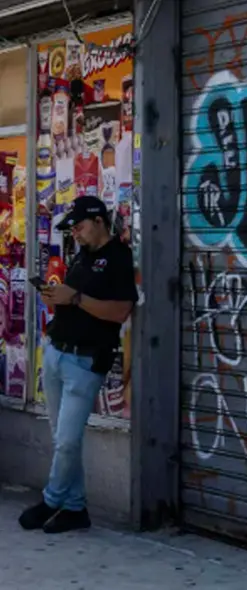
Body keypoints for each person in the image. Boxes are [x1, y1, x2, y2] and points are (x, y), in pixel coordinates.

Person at [18, 195, 137, 534]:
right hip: (56, 352)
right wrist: (57, 298)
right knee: (63, 440)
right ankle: (75, 508)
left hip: (85, 361)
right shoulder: (82, 255)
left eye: (80, 226)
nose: (76, 233)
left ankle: (52, 500)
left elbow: (120, 311)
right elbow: (75, 302)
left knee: (68, 441)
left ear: (99, 221)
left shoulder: (119, 257)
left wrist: (75, 297)